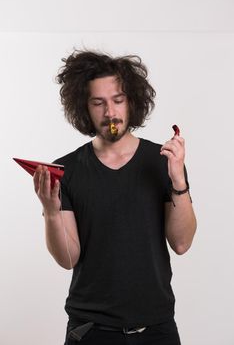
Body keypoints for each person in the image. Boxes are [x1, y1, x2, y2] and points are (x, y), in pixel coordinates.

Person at [33, 50, 197, 345]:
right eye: (99, 103)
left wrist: (178, 180)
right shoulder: (66, 170)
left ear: (132, 102)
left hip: (157, 328)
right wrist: (51, 211)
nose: (110, 113)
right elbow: (67, 259)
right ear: (85, 108)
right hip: (90, 330)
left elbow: (182, 243)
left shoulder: (162, 160)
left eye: (118, 100)